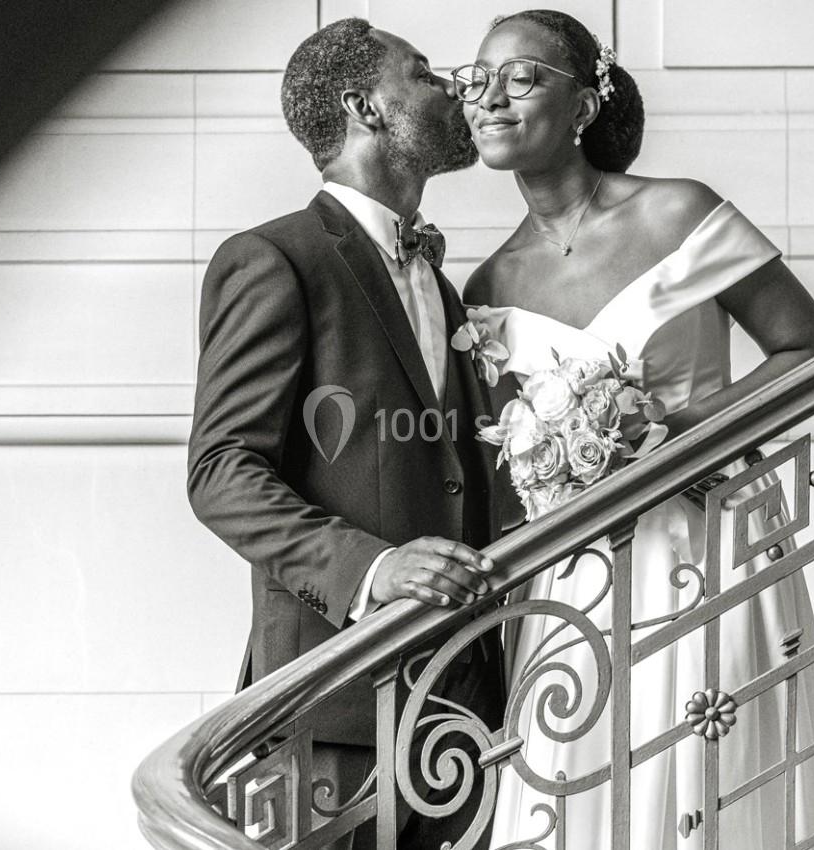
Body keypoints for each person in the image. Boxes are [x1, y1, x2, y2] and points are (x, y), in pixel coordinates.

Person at [458, 10, 814, 850]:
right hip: (577, 575)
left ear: (583, 105)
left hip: (712, 535)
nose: (489, 97)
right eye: (475, 80)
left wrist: (672, 435)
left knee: (714, 776)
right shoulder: (487, 285)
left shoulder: (680, 212)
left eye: (519, 77)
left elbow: (808, 348)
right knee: (580, 788)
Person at [187, 18, 505, 850]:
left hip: (464, 707)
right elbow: (221, 471)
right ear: (366, 106)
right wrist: (374, 568)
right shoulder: (273, 259)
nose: (453, 88)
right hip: (334, 709)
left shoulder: (443, 284)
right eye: (423, 73)